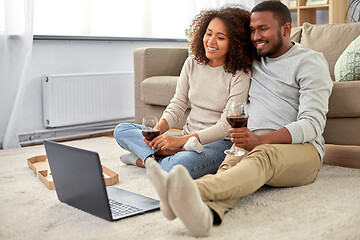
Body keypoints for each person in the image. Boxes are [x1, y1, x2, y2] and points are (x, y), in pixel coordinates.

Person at [145, 1, 333, 237]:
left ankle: (186, 190)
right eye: (252, 30)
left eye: (263, 29)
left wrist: (260, 140)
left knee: (263, 156)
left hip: (300, 150)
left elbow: (312, 123)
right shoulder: (252, 60)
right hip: (248, 144)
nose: (256, 36)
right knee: (228, 173)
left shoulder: (310, 61)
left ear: (286, 28)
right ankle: (205, 218)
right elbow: (219, 53)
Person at [114, 6, 256, 179]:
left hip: (218, 144)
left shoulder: (240, 74)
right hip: (187, 139)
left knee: (178, 167)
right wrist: (158, 133)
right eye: (208, 33)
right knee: (122, 130)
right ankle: (164, 153)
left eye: (220, 37)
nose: (211, 41)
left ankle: (145, 159)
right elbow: (178, 104)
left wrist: (179, 142)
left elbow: (225, 126)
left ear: (235, 43)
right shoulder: (192, 63)